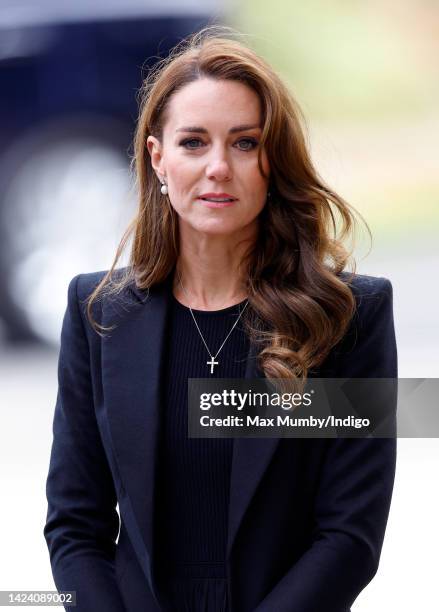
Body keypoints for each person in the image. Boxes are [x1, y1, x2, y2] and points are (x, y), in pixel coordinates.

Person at [43, 26, 397, 612]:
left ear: (272, 161)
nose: (217, 168)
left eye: (244, 143)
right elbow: (74, 527)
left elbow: (351, 538)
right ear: (157, 157)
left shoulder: (351, 316)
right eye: (192, 142)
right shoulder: (97, 314)